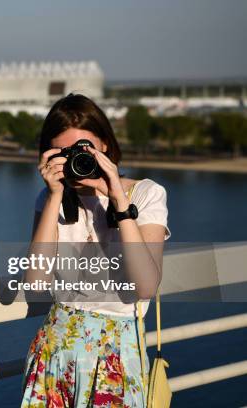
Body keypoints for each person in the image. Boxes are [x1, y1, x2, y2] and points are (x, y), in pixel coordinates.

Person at [21, 94, 170, 407]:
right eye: (63, 152)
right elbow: (35, 282)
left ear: (105, 145)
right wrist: (53, 197)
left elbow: (145, 286)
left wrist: (118, 198)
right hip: (55, 354)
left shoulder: (144, 194)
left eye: (83, 150)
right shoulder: (50, 200)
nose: (75, 160)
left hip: (117, 358)